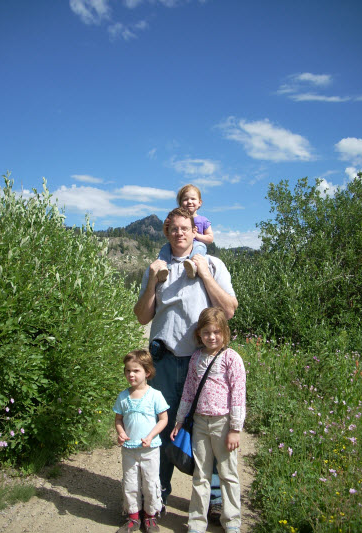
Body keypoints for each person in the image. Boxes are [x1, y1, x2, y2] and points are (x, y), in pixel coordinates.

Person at [133, 207, 238, 523]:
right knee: (162, 430)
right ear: (166, 233)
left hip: (202, 364)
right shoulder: (157, 268)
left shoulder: (212, 264)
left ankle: (214, 501)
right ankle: (157, 496)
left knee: (210, 432)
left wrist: (205, 274)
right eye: (173, 229)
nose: (179, 233)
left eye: (185, 228)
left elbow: (229, 309)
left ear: (195, 231)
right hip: (163, 360)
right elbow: (142, 316)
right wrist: (153, 281)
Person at [170, 307, 246, 533]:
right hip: (200, 424)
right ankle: (196, 523)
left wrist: (235, 428)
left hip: (223, 423)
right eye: (206, 333)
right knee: (200, 474)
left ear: (225, 332)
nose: (212, 337)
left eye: (216, 332)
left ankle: (232, 521)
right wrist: (180, 420)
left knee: (228, 473)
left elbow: (238, 394)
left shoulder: (231, 358)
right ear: (199, 334)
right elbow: (188, 391)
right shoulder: (196, 358)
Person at [113, 349, 169, 533]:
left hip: (150, 449)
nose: (131, 374)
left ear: (147, 372)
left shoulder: (155, 395)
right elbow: (119, 419)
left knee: (151, 483)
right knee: (130, 483)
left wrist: (151, 436)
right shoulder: (123, 396)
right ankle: (133, 516)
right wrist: (121, 433)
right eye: (128, 370)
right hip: (129, 450)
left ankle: (151, 516)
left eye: (136, 370)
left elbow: (163, 419)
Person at [157, 184, 214, 281]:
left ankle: (193, 266)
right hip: (180, 246)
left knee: (199, 247)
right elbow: (169, 235)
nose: (189, 202)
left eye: (193, 199)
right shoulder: (174, 219)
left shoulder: (203, 220)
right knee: (165, 248)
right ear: (180, 203)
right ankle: (164, 268)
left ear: (199, 203)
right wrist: (165, 227)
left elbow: (210, 238)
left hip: (196, 243)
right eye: (185, 199)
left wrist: (196, 235)